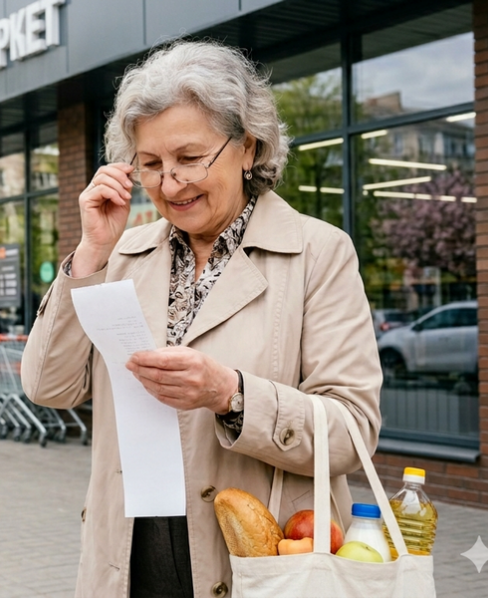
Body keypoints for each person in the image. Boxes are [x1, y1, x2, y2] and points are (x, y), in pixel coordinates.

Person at [20, 41, 382, 597]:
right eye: (150, 165)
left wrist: (231, 395)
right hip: (131, 556)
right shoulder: (120, 254)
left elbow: (352, 431)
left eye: (190, 159)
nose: (170, 184)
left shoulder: (319, 252)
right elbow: (50, 386)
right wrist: (90, 254)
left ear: (248, 147)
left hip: (257, 556)